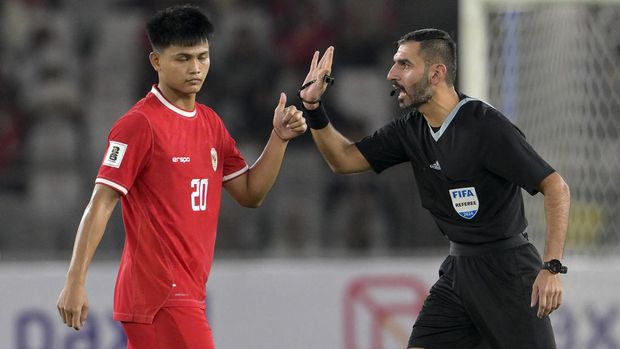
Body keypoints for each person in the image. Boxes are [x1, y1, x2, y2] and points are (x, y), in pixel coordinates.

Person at [299, 29, 570, 348]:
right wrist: (313, 106)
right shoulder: (409, 130)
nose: (391, 74)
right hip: (458, 272)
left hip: (508, 272)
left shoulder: (485, 126)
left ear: (437, 73)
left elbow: (556, 187)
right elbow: (343, 160)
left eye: (404, 65)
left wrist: (551, 267)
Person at [56, 5, 306, 349]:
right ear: (156, 62)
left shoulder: (210, 123)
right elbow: (101, 202)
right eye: (183, 58)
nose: (195, 68)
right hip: (160, 296)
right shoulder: (139, 125)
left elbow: (251, 193)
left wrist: (278, 139)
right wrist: (75, 280)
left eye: (202, 57)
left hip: (185, 293)